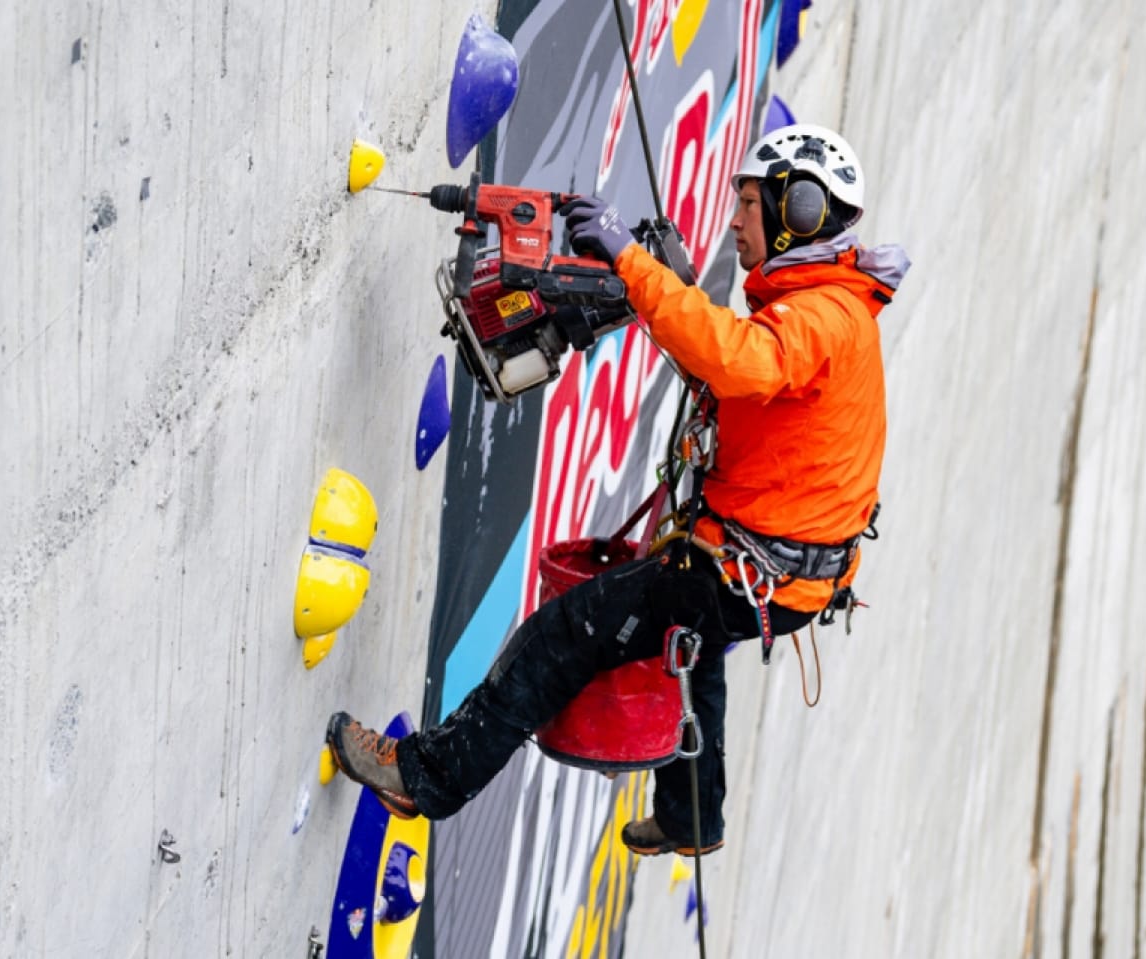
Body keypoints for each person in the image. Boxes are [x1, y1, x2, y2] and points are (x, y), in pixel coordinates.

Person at [324, 124, 909, 857]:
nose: (735, 221)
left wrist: (633, 263)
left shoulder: (821, 316)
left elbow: (739, 364)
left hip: (749, 571)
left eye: (750, 204)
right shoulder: (825, 306)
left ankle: (426, 776)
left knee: (563, 635)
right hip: (781, 576)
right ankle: (694, 817)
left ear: (800, 211)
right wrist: (664, 286)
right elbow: (738, 376)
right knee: (688, 652)